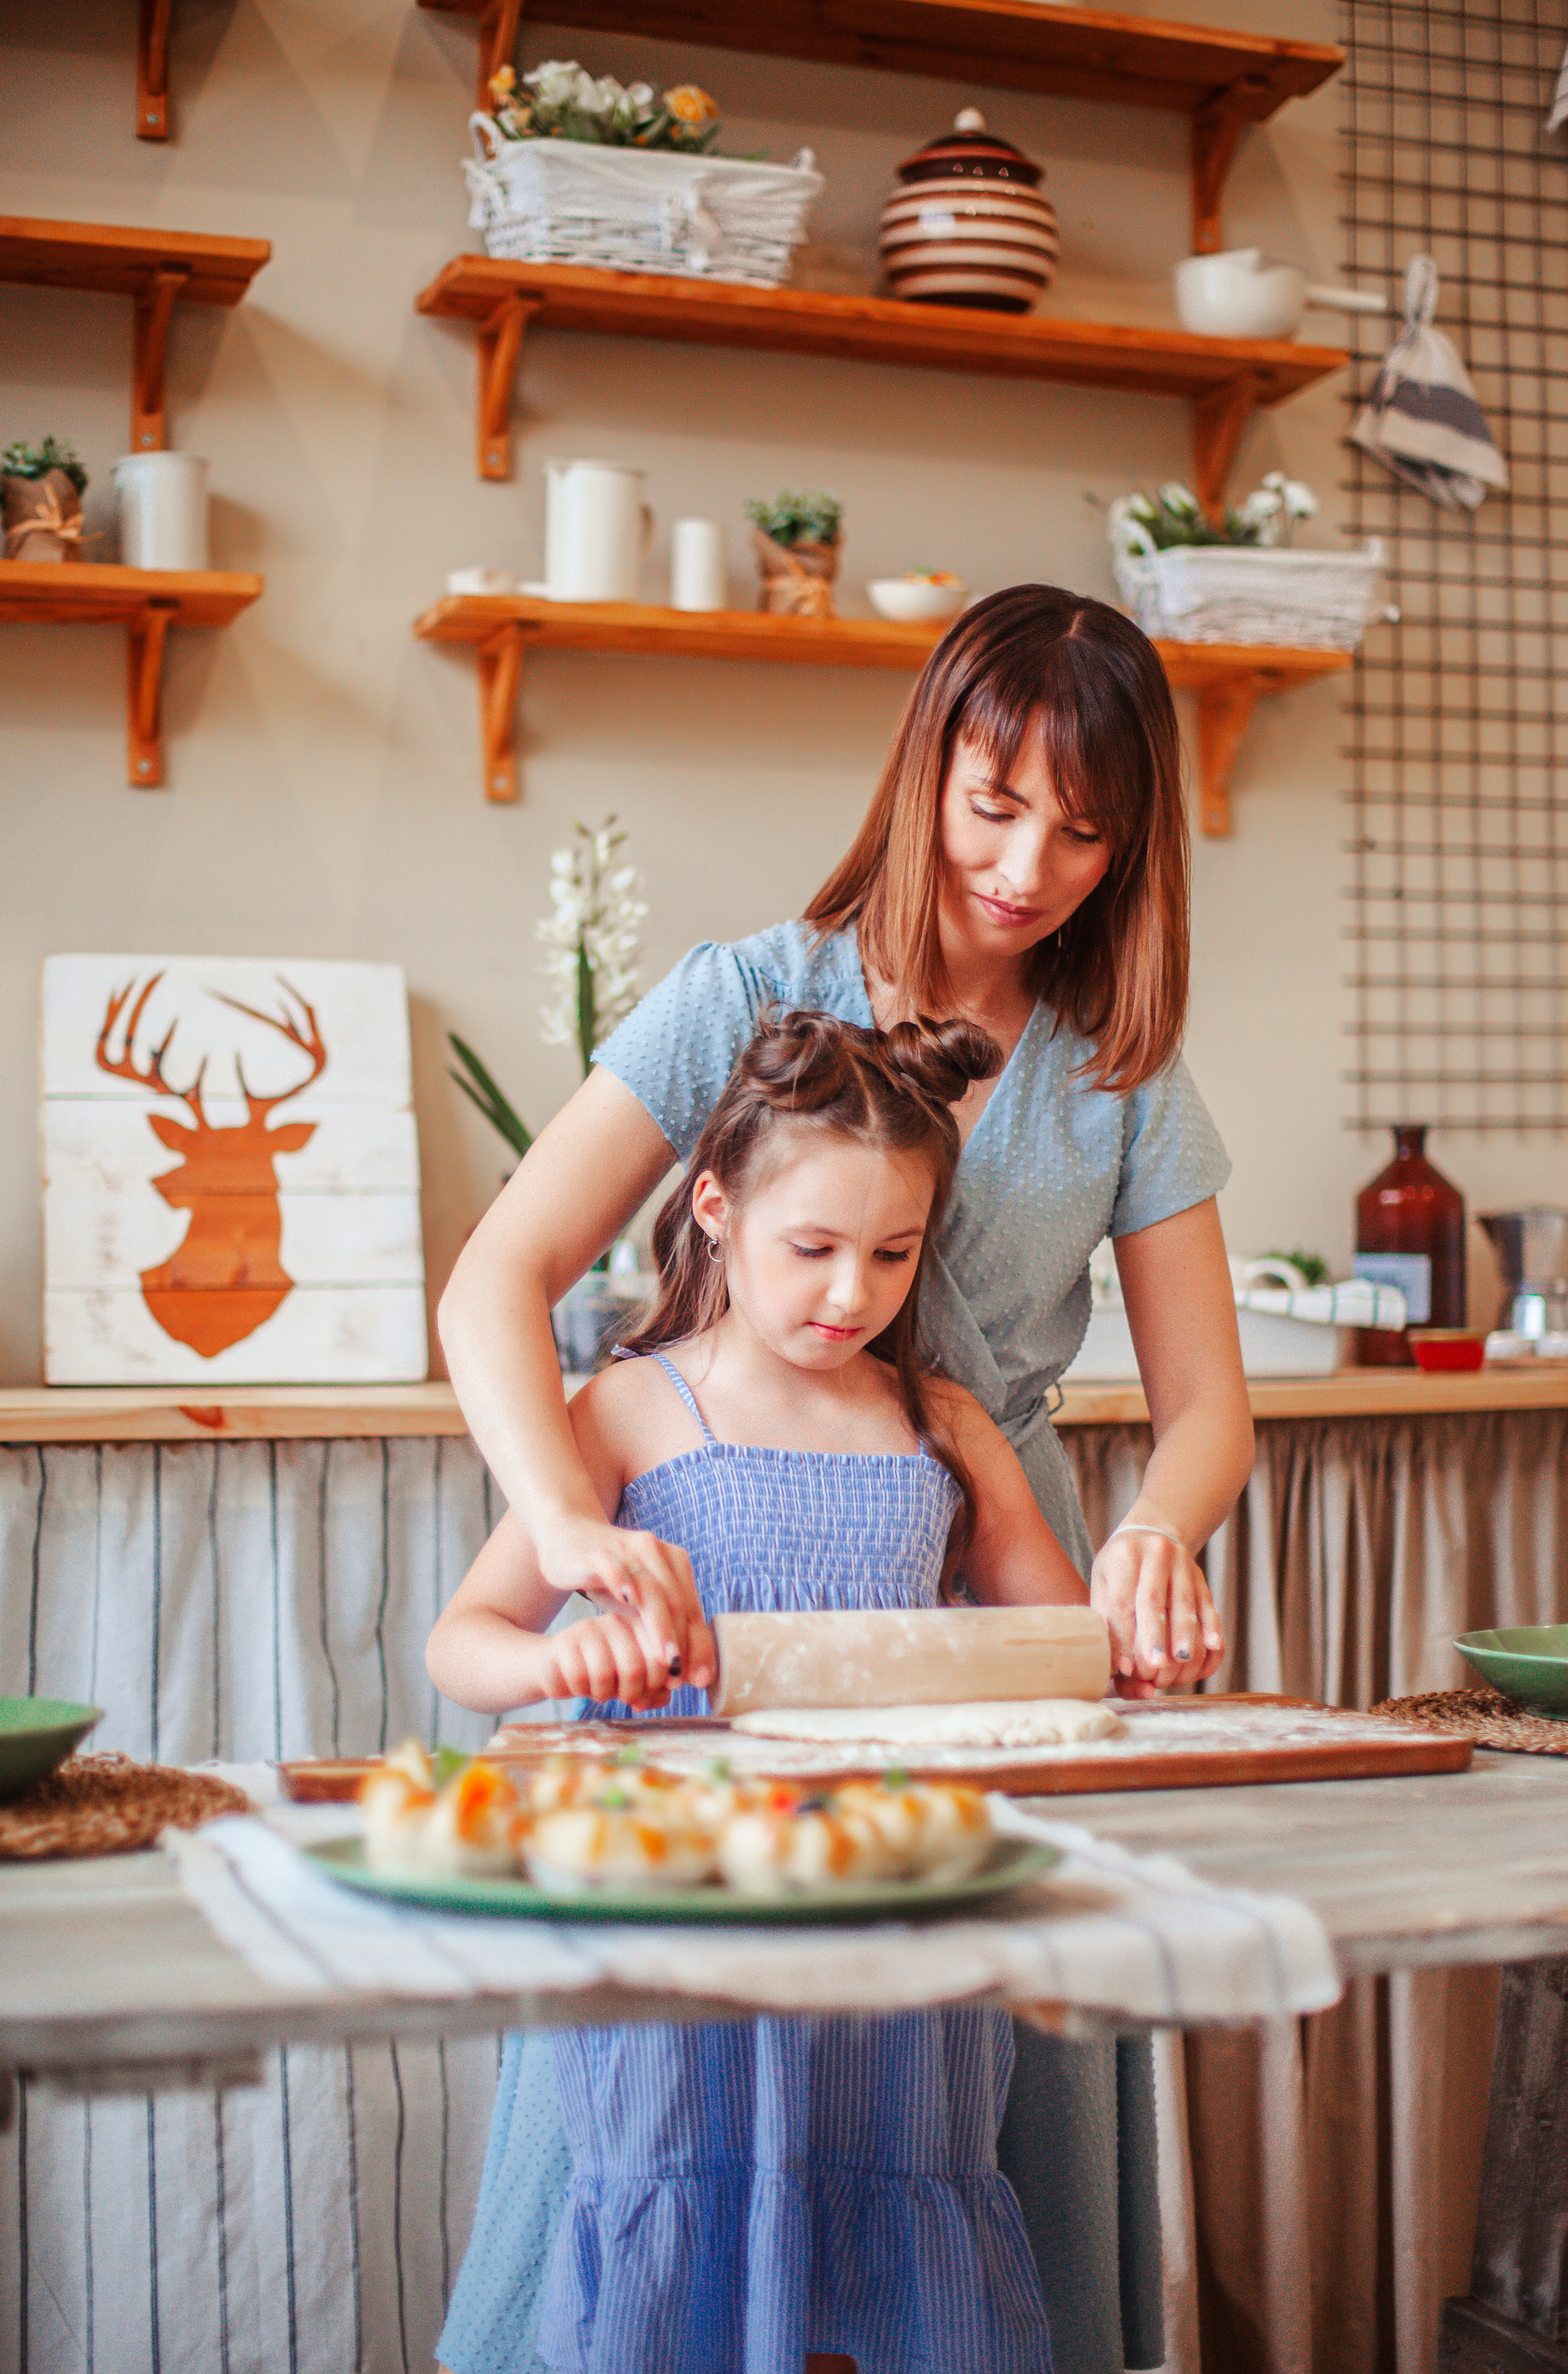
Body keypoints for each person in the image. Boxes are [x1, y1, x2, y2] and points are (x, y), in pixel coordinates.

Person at [436, 584, 1254, 2374]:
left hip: (988, 1625)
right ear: (924, 769)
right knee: (654, 2142)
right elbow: (496, 1277)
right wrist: (571, 1525)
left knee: (968, 2139)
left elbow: (1207, 1409)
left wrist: (1148, 1541)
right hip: (713, 1614)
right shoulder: (748, 994)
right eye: (993, 803)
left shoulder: (1119, 1068)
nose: (1030, 863)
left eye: (1088, 830)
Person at [433, 1007, 1091, 2374]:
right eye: (812, 1250)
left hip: (893, 1933)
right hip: (684, 1923)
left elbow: (1062, 1645)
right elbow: (465, 1639)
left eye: (892, 1254)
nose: (851, 1293)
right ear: (715, 1209)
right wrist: (561, 1660)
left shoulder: (945, 1427)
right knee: (678, 2267)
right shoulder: (625, 1412)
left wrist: (1138, 1626)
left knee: (878, 2282)